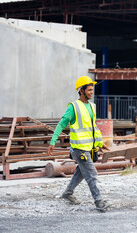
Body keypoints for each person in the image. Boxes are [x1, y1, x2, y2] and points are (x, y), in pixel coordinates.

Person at [47, 76, 111, 212]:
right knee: (91, 173)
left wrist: (100, 143)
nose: (91, 92)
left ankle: (67, 193)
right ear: (81, 91)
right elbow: (61, 124)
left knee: (81, 172)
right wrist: (53, 141)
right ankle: (99, 201)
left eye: (92, 90)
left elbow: (94, 128)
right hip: (78, 148)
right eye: (89, 90)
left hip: (89, 148)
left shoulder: (92, 107)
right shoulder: (74, 107)